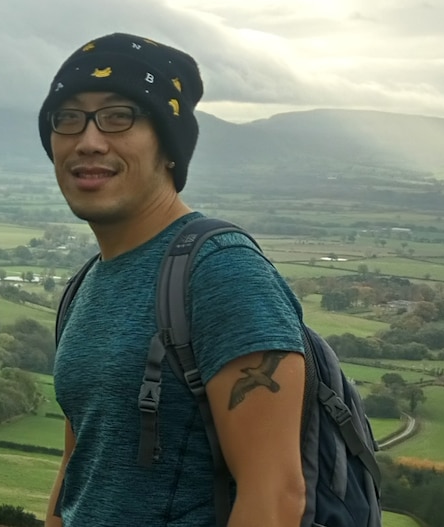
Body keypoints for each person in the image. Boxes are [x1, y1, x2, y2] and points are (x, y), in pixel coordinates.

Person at [38, 32, 307, 527]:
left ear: (169, 146)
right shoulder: (85, 286)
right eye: (67, 118)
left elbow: (274, 498)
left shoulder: (221, 272)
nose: (88, 141)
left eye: (119, 117)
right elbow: (80, 473)